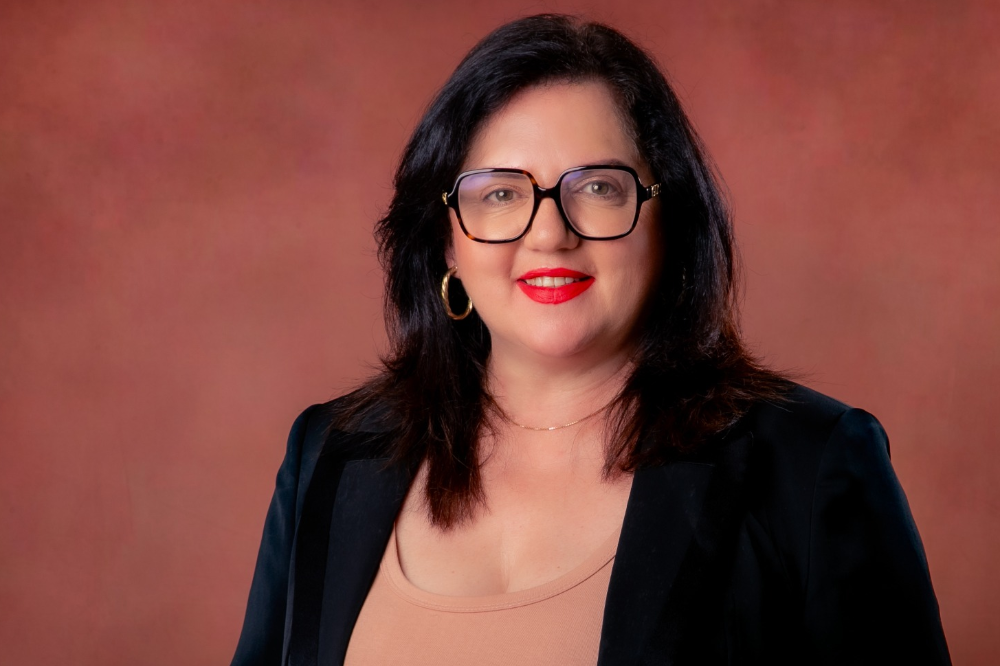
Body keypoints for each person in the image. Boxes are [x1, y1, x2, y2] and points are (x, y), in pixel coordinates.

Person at [230, 14, 951, 666]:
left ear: (668, 221)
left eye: (600, 187)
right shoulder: (329, 455)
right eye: (501, 193)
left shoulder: (808, 466)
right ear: (446, 240)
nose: (550, 233)